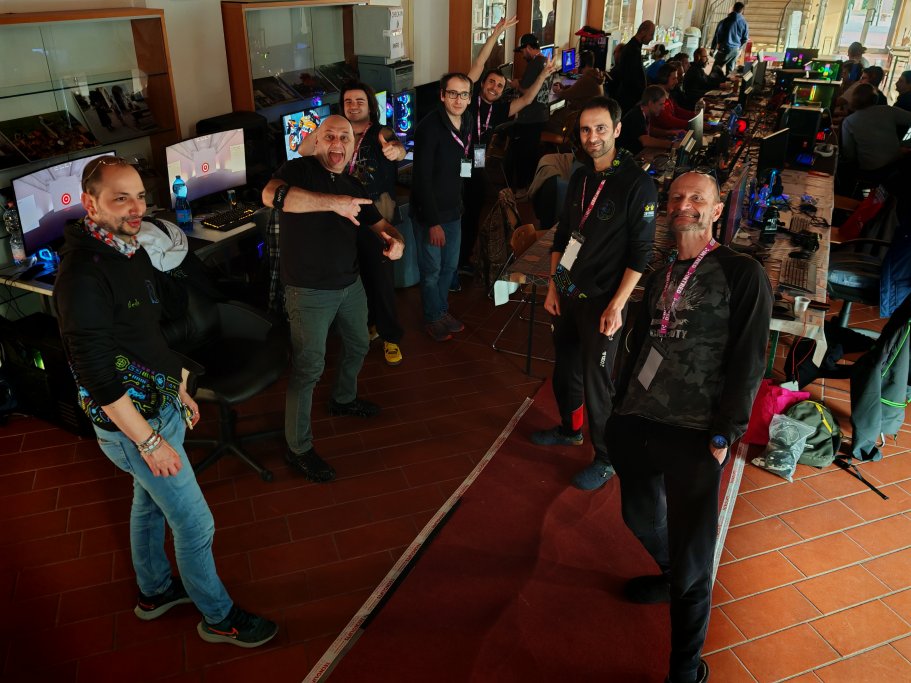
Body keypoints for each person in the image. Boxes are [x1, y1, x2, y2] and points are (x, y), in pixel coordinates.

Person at [54, 156, 277, 648]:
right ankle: (219, 618)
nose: (136, 208)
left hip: (160, 404)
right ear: (90, 204)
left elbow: (144, 338)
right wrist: (151, 443)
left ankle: (154, 591)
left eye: (139, 196)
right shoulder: (82, 277)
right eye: (120, 199)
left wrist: (178, 386)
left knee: (149, 504)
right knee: (196, 524)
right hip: (135, 425)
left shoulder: (129, 250)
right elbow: (95, 375)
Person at [607, 171, 772, 683]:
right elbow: (640, 346)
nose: (685, 204)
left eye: (697, 198)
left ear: (717, 210)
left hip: (696, 433)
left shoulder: (742, 272)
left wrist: (725, 433)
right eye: (677, 197)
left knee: (694, 557)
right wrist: (618, 410)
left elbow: (750, 359)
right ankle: (668, 573)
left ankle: (685, 669)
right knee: (639, 518)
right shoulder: (660, 274)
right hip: (637, 421)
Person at [262, 115, 405, 481]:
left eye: (344, 137)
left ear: (353, 146)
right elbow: (270, 195)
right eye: (329, 136)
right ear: (316, 141)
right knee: (309, 368)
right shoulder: (298, 170)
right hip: (308, 291)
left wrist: (396, 241)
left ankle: (343, 399)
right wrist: (333, 204)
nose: (337, 143)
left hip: (350, 286)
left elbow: (381, 224)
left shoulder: (353, 184)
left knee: (359, 344)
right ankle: (298, 448)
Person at [530, 96, 658, 491]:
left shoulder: (638, 184)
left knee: (597, 382)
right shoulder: (582, 176)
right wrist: (555, 286)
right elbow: (566, 235)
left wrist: (617, 306)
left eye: (601, 128)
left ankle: (606, 458)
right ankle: (570, 430)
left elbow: (641, 253)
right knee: (565, 367)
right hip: (570, 291)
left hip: (604, 302)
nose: (593, 137)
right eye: (586, 130)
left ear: (617, 129)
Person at [298, 81, 408, 367]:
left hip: (375, 216)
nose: (353, 106)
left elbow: (397, 146)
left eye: (360, 101)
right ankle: (370, 325)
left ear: (370, 105)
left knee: (381, 281)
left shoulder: (379, 132)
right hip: (343, 217)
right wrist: (327, 129)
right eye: (348, 101)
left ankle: (391, 336)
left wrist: (396, 150)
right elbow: (302, 150)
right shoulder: (337, 137)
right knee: (357, 278)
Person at [455, 16, 558, 286]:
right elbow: (479, 64)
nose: (494, 88)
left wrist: (544, 75)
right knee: (456, 213)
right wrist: (496, 34)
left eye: (500, 86)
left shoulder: (500, 109)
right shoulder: (468, 99)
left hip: (477, 162)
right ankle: (453, 262)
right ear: (482, 84)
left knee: (473, 211)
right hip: (456, 163)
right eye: (491, 83)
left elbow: (527, 98)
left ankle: (463, 260)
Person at [410, 72, 473, 342]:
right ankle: (432, 317)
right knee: (431, 271)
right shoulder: (429, 128)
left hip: (453, 209)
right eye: (452, 94)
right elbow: (421, 180)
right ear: (442, 95)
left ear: (469, 98)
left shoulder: (467, 120)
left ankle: (441, 310)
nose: (458, 100)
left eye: (463, 94)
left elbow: (464, 161)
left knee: (449, 267)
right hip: (430, 214)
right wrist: (432, 222)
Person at [510, 33, 558, 188]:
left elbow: (527, 92)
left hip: (529, 118)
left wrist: (516, 85)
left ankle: (521, 187)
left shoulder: (534, 64)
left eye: (522, 51)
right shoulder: (545, 61)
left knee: (522, 155)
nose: (522, 55)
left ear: (529, 48)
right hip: (541, 115)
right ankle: (531, 185)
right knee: (531, 154)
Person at [840, 83, 911, 183]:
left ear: (854, 99)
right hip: (895, 166)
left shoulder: (848, 121)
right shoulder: (888, 110)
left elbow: (849, 155)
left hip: (870, 172)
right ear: (875, 98)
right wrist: (906, 144)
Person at [617, 85, 678, 155]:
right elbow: (646, 141)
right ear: (650, 103)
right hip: (623, 158)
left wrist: (669, 132)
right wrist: (672, 145)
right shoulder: (636, 116)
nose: (663, 108)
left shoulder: (643, 112)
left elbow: (649, 131)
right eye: (661, 104)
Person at [613, 21, 656, 113]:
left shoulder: (635, 47)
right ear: (643, 31)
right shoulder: (631, 50)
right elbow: (630, 78)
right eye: (651, 34)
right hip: (629, 100)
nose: (652, 38)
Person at [711, 2, 749, 75]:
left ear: (733, 8)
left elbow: (717, 35)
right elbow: (745, 39)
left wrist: (713, 48)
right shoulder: (745, 23)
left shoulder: (724, 21)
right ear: (742, 11)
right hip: (735, 51)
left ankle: (711, 83)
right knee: (730, 73)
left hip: (724, 49)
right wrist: (738, 47)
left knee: (715, 72)